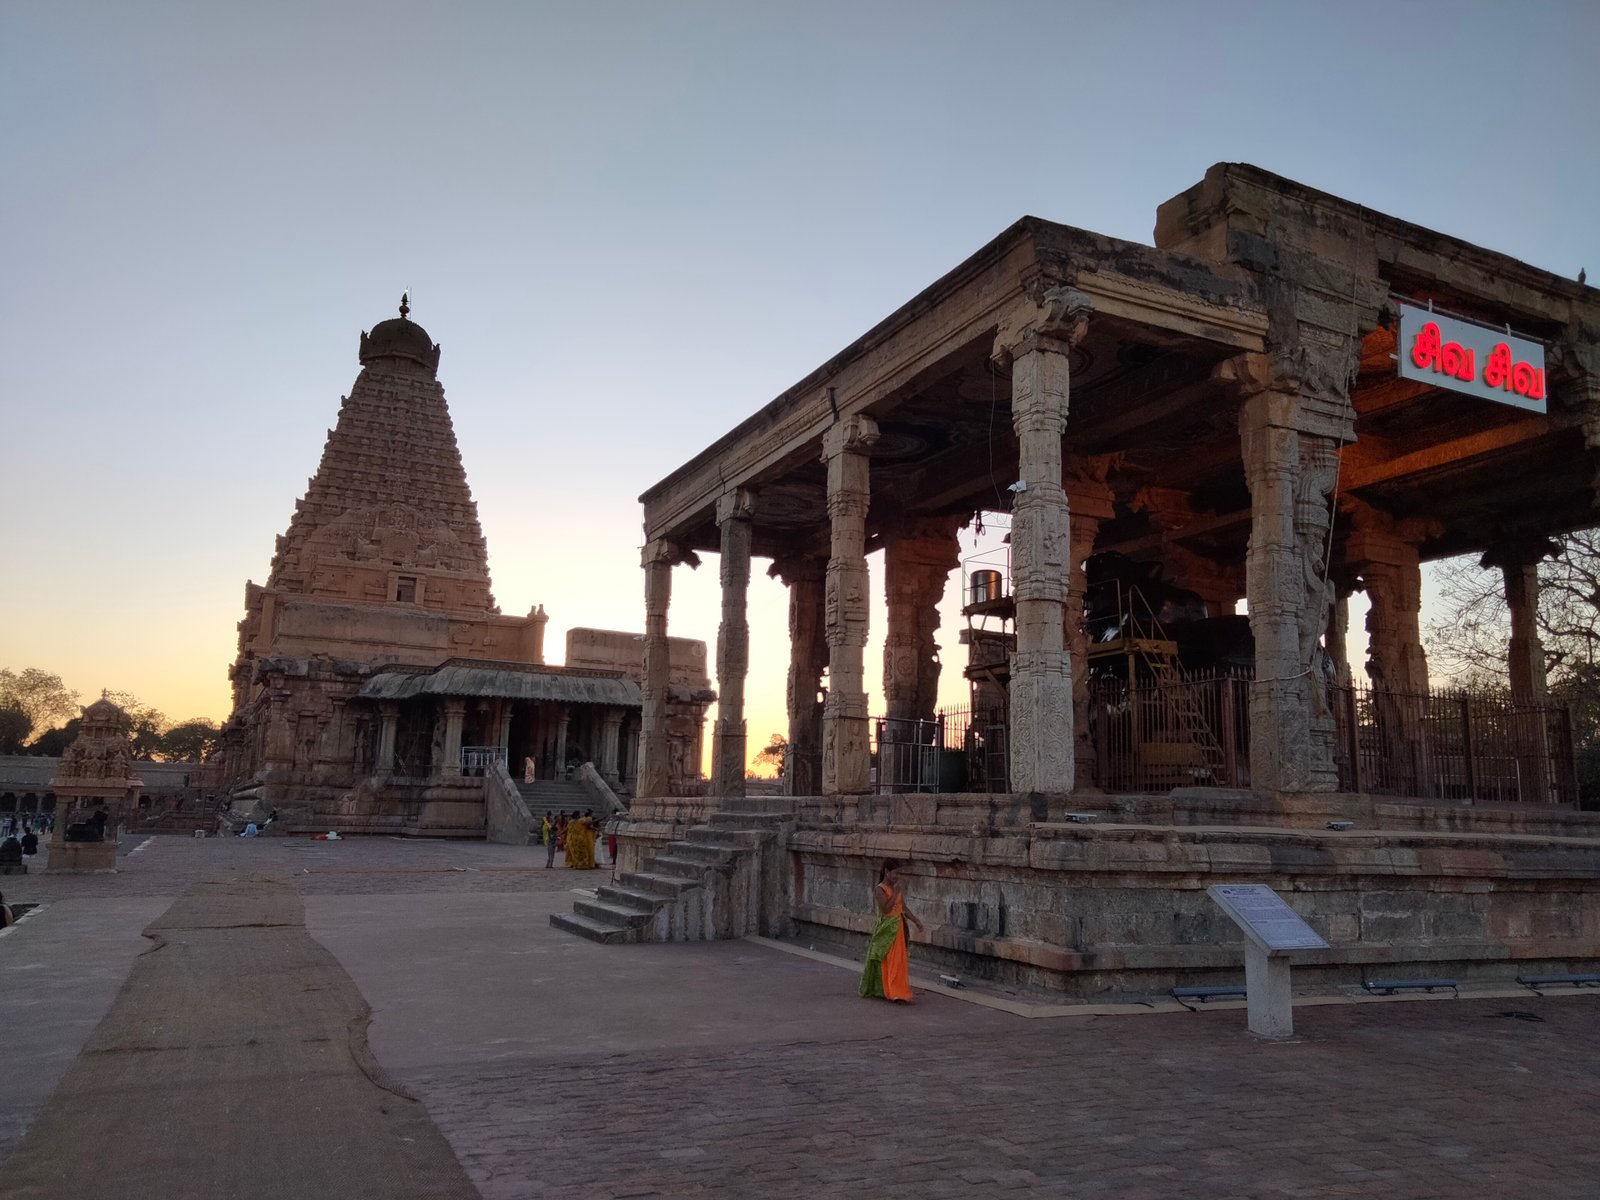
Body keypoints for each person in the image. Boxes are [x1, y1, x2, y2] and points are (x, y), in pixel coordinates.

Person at [859, 860, 924, 1003]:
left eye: (899, 873)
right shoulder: (880, 889)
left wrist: (916, 921)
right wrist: (895, 893)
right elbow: (886, 909)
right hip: (886, 930)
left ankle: (899, 991)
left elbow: (903, 908)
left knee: (899, 962)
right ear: (887, 872)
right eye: (896, 873)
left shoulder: (895, 888)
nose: (897, 876)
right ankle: (893, 992)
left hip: (898, 928)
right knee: (889, 961)